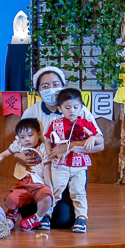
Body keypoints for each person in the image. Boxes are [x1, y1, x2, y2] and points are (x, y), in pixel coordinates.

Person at [20, 66, 104, 228]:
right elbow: (25, 146)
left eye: (56, 84)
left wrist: (70, 146)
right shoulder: (31, 112)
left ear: (63, 85)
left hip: (71, 167)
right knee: (30, 211)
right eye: (45, 86)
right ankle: (43, 212)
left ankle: (79, 217)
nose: (51, 89)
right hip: (43, 171)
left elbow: (99, 144)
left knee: (62, 220)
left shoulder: (80, 112)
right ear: (37, 91)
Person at [44, 88, 99, 233]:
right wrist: (50, 154)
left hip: (79, 166)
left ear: (81, 107)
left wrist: (93, 137)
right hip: (59, 165)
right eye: (67, 108)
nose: (72, 111)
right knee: (55, 191)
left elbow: (100, 140)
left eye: (76, 107)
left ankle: (81, 218)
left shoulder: (87, 124)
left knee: (78, 192)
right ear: (59, 109)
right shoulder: (55, 124)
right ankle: (46, 216)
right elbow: (47, 140)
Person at [0, 118, 54, 231]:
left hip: (39, 185)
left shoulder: (44, 148)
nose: (26, 139)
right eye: (22, 137)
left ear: (38, 134)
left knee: (47, 197)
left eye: (30, 135)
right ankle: (12, 214)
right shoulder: (18, 145)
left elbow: (47, 170)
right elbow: (3, 155)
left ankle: (37, 218)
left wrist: (50, 188)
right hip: (23, 184)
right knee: (11, 198)